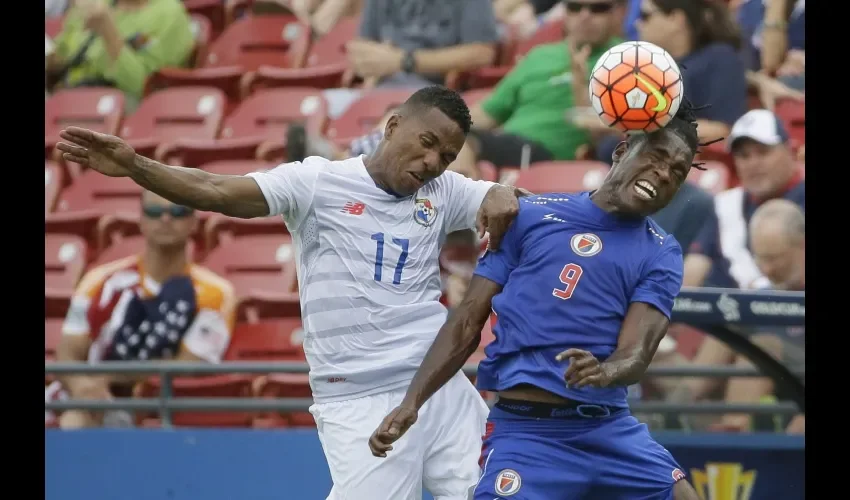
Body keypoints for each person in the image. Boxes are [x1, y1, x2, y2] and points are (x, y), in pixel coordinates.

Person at [56, 86, 523, 500]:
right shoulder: (318, 182)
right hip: (361, 398)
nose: (432, 162)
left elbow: (505, 200)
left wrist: (502, 192)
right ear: (393, 125)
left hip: (437, 386)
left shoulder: (442, 190)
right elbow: (215, 190)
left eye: (446, 155)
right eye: (427, 144)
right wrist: (136, 166)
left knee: (496, 492)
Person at [369, 100, 711, 500]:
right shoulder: (530, 217)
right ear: (621, 151)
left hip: (607, 430)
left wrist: (606, 371)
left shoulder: (661, 251)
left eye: (677, 172)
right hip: (527, 434)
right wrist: (412, 402)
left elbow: (637, 352)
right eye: (656, 157)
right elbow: (465, 322)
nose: (664, 174)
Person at [47, 190, 236, 429]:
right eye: (155, 212)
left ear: (193, 222)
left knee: (79, 420)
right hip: (84, 399)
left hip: (153, 407)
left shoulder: (216, 293)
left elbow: (186, 366)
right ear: (141, 221)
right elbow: (68, 352)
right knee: (77, 416)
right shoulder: (99, 281)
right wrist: (82, 387)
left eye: (177, 212)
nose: (165, 220)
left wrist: (108, 378)